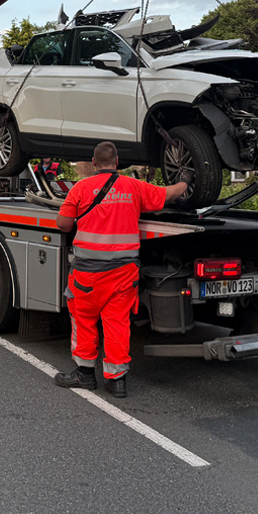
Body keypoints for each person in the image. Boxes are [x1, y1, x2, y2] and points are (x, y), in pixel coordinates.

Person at [53, 141, 188, 398]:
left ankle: (84, 375)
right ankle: (117, 382)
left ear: (94, 163)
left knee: (84, 322)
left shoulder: (81, 188)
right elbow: (166, 194)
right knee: (117, 323)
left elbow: (63, 224)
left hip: (87, 275)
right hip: (123, 273)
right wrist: (184, 181)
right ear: (117, 163)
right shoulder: (133, 187)